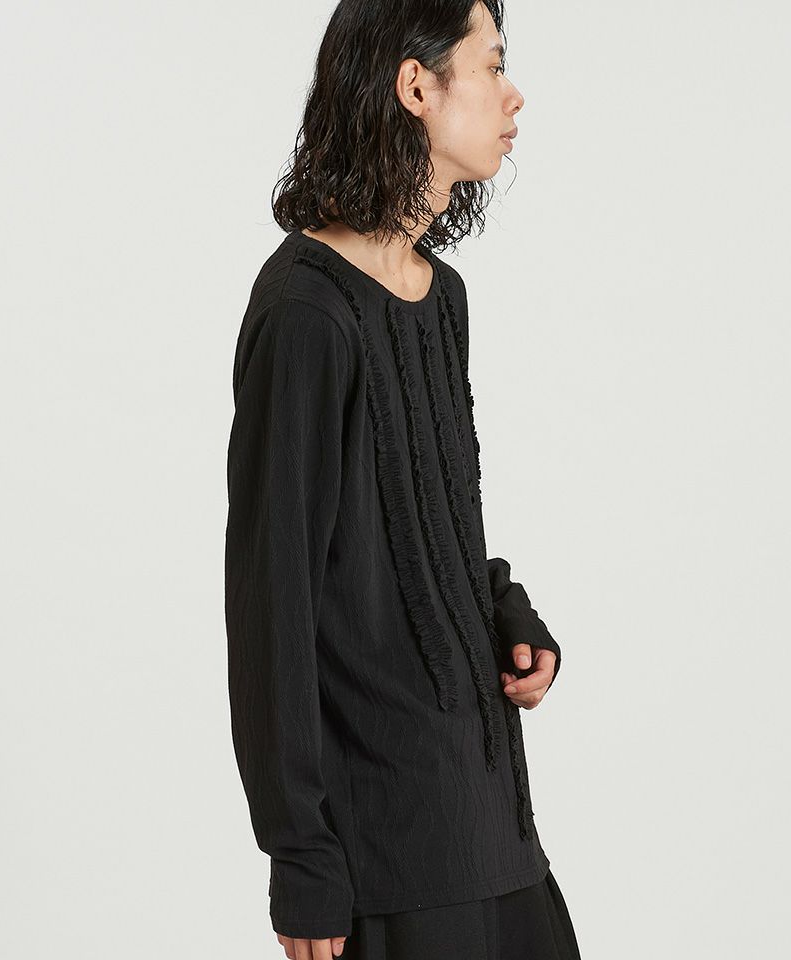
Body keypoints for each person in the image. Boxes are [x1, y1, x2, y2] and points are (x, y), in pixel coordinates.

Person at [224, 2, 582, 958]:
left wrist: (501, 608)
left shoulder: (440, 296)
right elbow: (272, 604)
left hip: (492, 822)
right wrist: (300, 857)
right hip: (387, 852)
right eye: (492, 64)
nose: (514, 94)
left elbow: (425, 523)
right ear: (415, 86)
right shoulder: (307, 315)